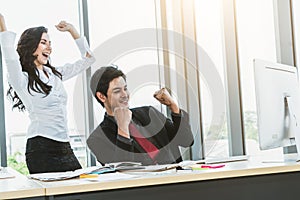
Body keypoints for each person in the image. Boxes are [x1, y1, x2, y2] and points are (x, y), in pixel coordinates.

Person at [0, 14, 96, 174]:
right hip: (41, 148)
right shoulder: (21, 79)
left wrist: (72, 30)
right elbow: (10, 57)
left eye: (50, 43)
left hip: (65, 146)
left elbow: (89, 59)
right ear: (31, 47)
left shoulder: (55, 74)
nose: (49, 48)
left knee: (80, 190)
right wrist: (2, 25)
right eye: (43, 43)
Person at [87, 66, 194, 166]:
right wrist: (123, 128)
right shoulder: (97, 139)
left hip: (175, 179)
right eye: (117, 91)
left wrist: (174, 107)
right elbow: (123, 170)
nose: (125, 94)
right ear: (101, 96)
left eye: (125, 88)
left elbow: (187, 140)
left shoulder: (148, 113)